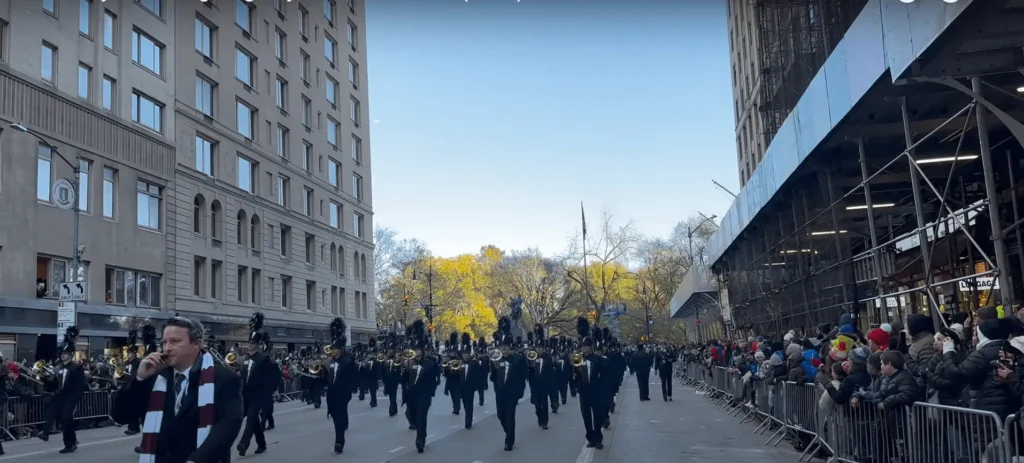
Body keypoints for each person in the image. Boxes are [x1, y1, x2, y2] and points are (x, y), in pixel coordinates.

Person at [111, 317, 243, 463]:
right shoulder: (154, 376)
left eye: (175, 341)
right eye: (165, 342)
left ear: (196, 344)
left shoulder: (224, 379)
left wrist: (197, 460)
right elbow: (120, 416)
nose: (167, 348)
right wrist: (140, 379)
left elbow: (226, 428)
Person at [36, 326, 87, 454]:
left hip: (70, 396)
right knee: (52, 412)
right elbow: (54, 383)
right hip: (59, 395)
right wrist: (46, 379)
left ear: (70, 355)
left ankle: (70, 443)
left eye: (65, 354)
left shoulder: (76, 368)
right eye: (62, 354)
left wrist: (76, 399)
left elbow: (81, 386)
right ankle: (46, 433)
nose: (63, 356)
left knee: (65, 418)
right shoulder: (57, 367)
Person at [237, 312, 278, 457]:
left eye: (252, 343)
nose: (250, 346)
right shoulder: (243, 359)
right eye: (249, 343)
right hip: (245, 394)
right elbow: (241, 375)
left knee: (252, 418)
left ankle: (243, 443)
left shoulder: (264, 359)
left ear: (258, 344)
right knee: (250, 420)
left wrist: (268, 391)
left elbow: (275, 376)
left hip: (258, 394)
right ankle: (261, 443)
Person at [490, 316, 527, 451]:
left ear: (509, 347)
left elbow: (522, 378)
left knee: (510, 416)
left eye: (506, 346)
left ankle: (509, 441)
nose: (504, 349)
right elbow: (493, 376)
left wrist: (519, 392)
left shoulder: (518, 360)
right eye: (501, 346)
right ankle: (508, 432)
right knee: (501, 416)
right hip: (500, 393)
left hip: (512, 393)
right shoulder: (495, 360)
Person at [403, 320, 440, 453]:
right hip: (411, 395)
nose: (415, 351)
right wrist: (403, 369)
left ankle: (420, 441)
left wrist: (430, 392)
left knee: (421, 417)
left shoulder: (430, 363)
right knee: (411, 417)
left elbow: (434, 379)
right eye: (414, 349)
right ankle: (421, 432)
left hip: (424, 396)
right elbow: (403, 380)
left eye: (417, 349)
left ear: (422, 350)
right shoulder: (408, 363)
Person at [325, 317, 358, 454]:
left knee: (339, 417)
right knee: (334, 416)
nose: (332, 351)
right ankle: (339, 435)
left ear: (339, 349)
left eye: (334, 349)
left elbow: (353, 377)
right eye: (331, 348)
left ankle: (339, 442)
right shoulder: (329, 362)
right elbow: (325, 377)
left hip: (342, 393)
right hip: (331, 394)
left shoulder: (347, 362)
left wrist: (349, 390)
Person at [575, 317, 607, 450]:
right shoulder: (577, 359)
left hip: (596, 390)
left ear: (590, 347)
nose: (584, 349)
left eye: (587, 346)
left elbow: (605, 372)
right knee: (586, 417)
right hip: (584, 391)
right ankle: (590, 438)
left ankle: (598, 438)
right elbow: (575, 376)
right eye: (582, 347)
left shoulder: (597, 359)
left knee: (598, 416)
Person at [526, 324, 556, 428]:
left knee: (544, 403)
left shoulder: (547, 357)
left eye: (541, 348)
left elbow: (550, 372)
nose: (539, 350)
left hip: (544, 384)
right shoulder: (531, 357)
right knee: (537, 404)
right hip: (535, 384)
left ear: (543, 348)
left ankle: (544, 422)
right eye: (537, 348)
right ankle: (539, 416)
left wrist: (550, 385)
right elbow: (528, 371)